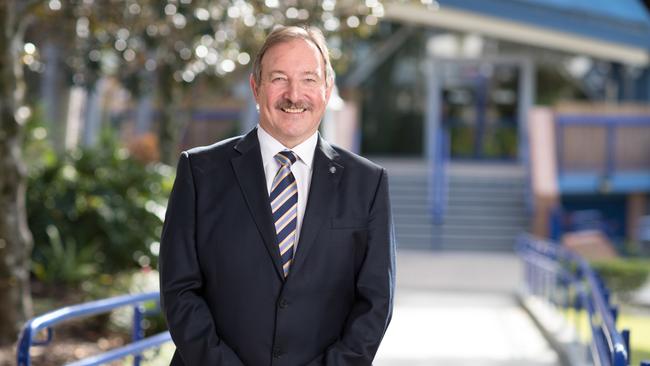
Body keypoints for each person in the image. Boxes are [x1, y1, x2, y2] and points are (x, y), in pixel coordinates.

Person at [159, 25, 395, 366]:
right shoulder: (200, 172)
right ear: (256, 88)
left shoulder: (368, 184)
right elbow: (178, 290)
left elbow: (376, 304)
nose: (294, 94)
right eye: (279, 78)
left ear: (327, 90)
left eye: (309, 79)